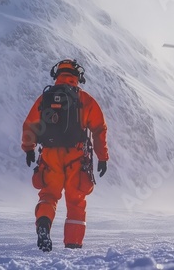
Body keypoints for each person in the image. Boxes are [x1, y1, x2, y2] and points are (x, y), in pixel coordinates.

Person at [22, 59, 109, 252]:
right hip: (76, 157)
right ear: (77, 76)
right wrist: (102, 157)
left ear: (57, 75)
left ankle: (44, 224)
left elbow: (30, 125)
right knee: (76, 200)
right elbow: (99, 130)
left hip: (50, 155)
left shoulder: (45, 98)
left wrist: (28, 148)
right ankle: (72, 245)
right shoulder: (85, 99)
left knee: (48, 196)